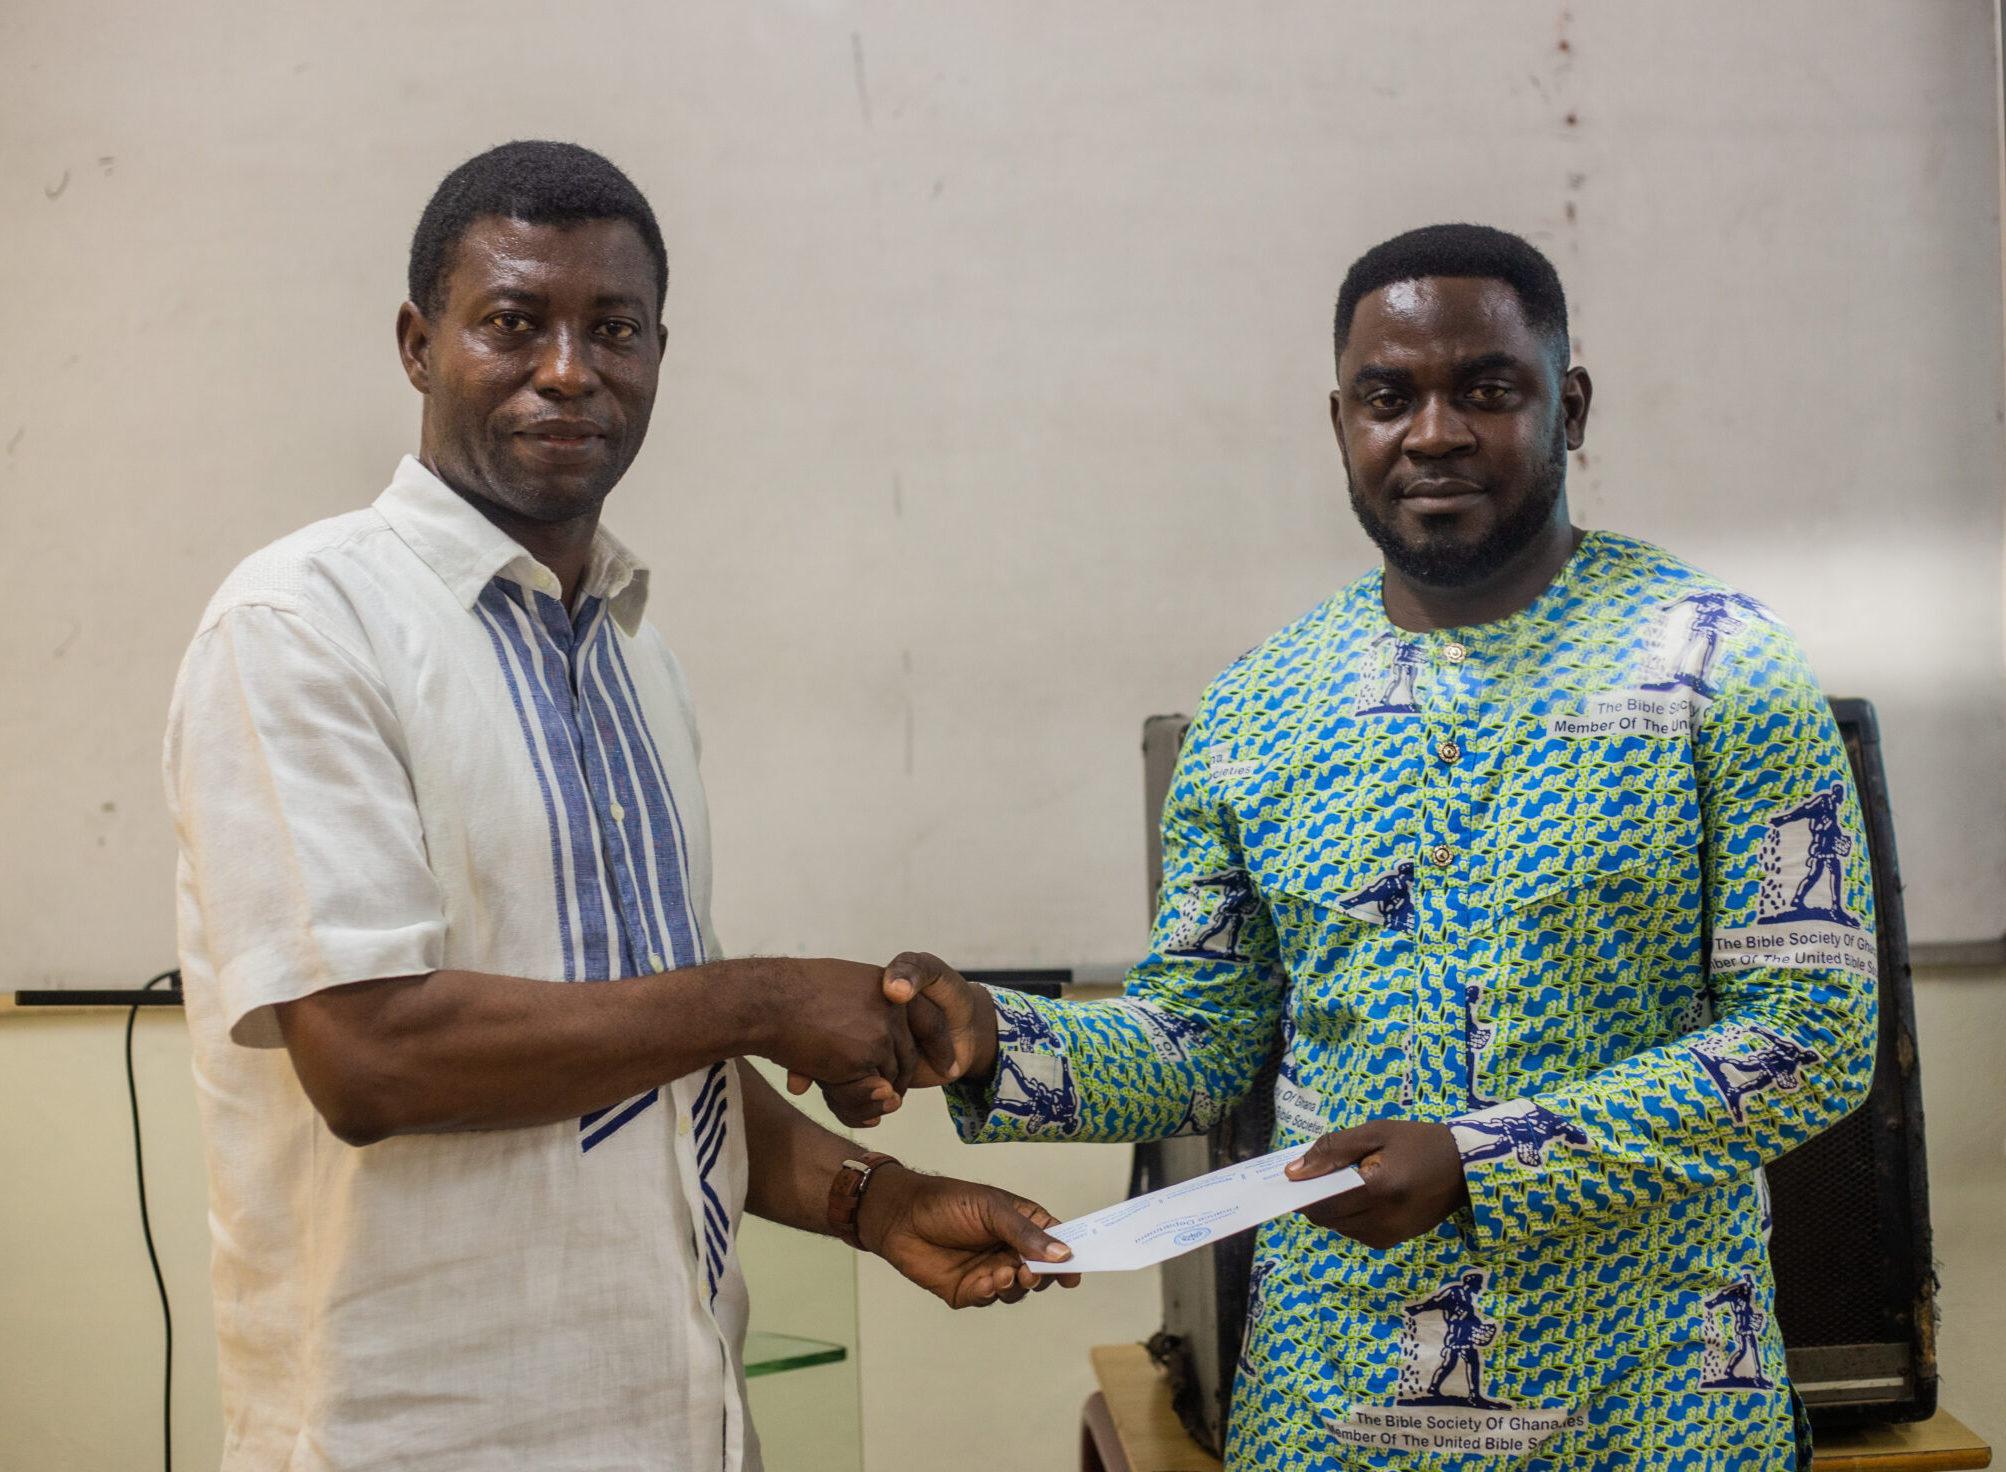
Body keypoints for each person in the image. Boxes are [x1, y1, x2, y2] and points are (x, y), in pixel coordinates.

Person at [822, 224, 1877, 1469]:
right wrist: (993, 1039)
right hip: (1328, 1412)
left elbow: (1810, 1035)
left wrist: (1479, 1160)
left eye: (1484, 389)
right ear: (1339, 424)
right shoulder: (1258, 705)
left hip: (1651, 1410)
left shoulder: (1720, 665)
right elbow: (1198, 1040)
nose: (1432, 433)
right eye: (1387, 397)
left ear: (1570, 406)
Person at [164, 140, 1071, 1472]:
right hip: (423, 1442)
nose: (569, 369)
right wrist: (763, 998)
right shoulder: (300, 625)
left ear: (658, 354)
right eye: (512, 322)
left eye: (615, 328)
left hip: (686, 1424)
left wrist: (873, 1199)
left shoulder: (642, 659)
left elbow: (643, 1057)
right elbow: (370, 1057)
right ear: (418, 345)